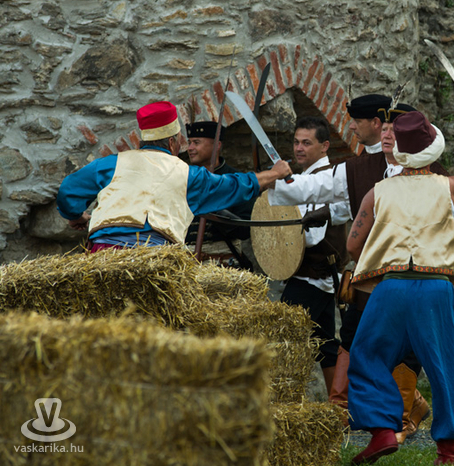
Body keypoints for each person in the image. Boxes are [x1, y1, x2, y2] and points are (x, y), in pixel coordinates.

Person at [268, 94, 441, 442]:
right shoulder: (358, 168)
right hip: (371, 275)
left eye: (395, 129)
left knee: (409, 343)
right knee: (353, 336)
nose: (388, 135)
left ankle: (404, 417)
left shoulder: (433, 174)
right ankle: (344, 408)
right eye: (386, 128)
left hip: (416, 276)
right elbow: (313, 188)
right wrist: (271, 179)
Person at [345, 110, 454, 465]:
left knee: (366, 356)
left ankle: (382, 430)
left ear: (401, 152)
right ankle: (447, 452)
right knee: (442, 367)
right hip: (435, 289)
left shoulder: (377, 192)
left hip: (390, 289)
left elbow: (353, 245)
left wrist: (383, 258)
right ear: (432, 148)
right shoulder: (452, 186)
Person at [57, 101, 291, 251]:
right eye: (181, 141)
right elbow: (237, 186)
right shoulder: (188, 174)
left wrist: (75, 216)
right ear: (171, 142)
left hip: (103, 253)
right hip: (154, 256)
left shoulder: (111, 163)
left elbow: (68, 190)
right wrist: (275, 173)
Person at [280, 116, 350, 396]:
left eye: (307, 143)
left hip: (315, 277)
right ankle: (340, 406)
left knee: (282, 335)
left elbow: (311, 237)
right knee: (325, 344)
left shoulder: (330, 179)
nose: (299, 148)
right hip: (311, 275)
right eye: (296, 142)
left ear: (324, 146)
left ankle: (285, 402)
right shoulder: (305, 178)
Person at [183, 121, 256, 267]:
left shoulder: (236, 180)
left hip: (223, 264)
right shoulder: (183, 177)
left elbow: (245, 230)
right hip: (188, 264)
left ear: (217, 145)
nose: (190, 148)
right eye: (189, 143)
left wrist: (217, 210)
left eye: (196, 142)